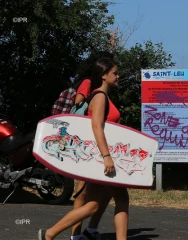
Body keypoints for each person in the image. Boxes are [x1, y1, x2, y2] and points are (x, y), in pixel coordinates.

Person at [39, 57, 129, 240]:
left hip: (100, 156)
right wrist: (106, 156)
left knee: (94, 204)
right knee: (121, 199)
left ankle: (49, 234)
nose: (118, 76)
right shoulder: (100, 97)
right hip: (101, 156)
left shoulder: (102, 96)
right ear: (104, 76)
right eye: (115, 73)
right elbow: (96, 127)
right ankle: (51, 233)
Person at [70, 51, 115, 240]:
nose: (117, 74)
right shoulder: (90, 85)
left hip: (98, 147)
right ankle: (71, 234)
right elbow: (78, 103)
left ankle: (89, 231)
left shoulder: (102, 90)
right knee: (83, 194)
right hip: (91, 146)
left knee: (98, 194)